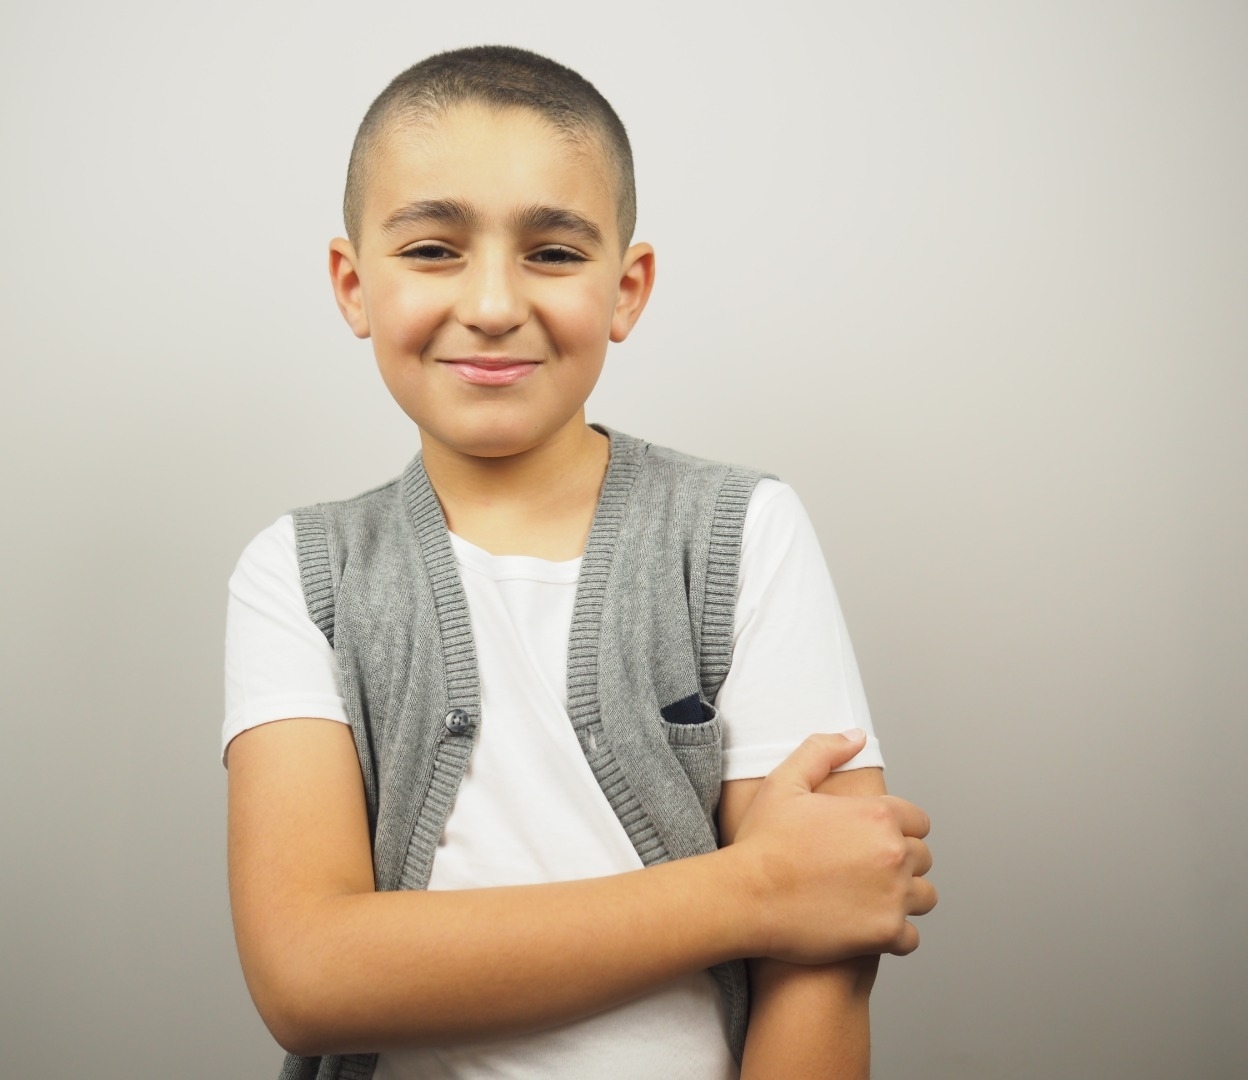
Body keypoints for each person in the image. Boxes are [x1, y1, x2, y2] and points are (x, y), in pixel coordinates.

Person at [224, 45, 935, 1080]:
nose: (493, 303)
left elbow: (833, 926)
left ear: (626, 289)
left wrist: (800, 890)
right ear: (353, 284)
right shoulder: (302, 575)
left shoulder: (742, 533)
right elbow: (308, 978)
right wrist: (756, 889)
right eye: (433, 249)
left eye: (553, 253)